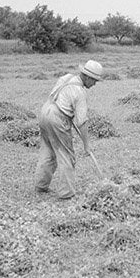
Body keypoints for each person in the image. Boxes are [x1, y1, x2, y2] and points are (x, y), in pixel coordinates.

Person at [34, 59, 103, 199]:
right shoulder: (80, 93)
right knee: (66, 155)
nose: (95, 84)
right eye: (94, 80)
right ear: (88, 77)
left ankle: (41, 186)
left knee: (48, 151)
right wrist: (86, 145)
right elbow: (82, 122)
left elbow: (58, 96)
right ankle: (66, 193)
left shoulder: (66, 77)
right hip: (58, 117)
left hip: (45, 111)